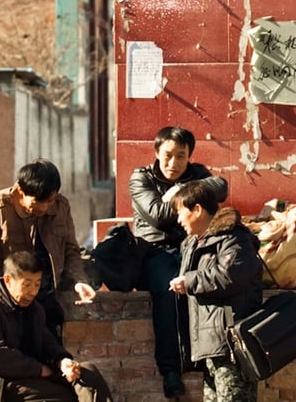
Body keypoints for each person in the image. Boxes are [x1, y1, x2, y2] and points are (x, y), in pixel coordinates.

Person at [129, 126, 227, 398]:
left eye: (181, 157)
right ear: (157, 152)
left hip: (192, 246)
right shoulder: (141, 177)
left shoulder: (196, 175)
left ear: (190, 157)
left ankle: (207, 359)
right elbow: (159, 215)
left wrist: (179, 189)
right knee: (169, 289)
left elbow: (221, 187)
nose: (174, 163)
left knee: (212, 284)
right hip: (155, 251)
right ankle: (171, 369)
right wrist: (191, 195)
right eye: (168, 155)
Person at [0, 160, 98, 344]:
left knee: (51, 359)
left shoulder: (61, 207)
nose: (45, 208)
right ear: (21, 193)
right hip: (7, 303)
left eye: (50, 201)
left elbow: (71, 250)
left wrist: (79, 281)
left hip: (47, 301)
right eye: (37, 203)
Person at [0, 250, 114, 402]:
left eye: (37, 284)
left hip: (29, 375)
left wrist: (61, 361)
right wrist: (39, 369)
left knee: (88, 373)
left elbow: (47, 342)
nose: (33, 291)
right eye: (27, 285)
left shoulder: (35, 309)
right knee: (66, 394)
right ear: (8, 280)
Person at [166, 179, 260, 402]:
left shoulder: (232, 238)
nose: (178, 220)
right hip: (209, 347)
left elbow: (231, 275)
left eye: (181, 212)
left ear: (197, 209)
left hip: (232, 346)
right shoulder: (192, 244)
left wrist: (189, 281)